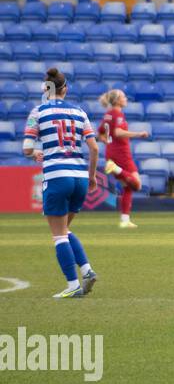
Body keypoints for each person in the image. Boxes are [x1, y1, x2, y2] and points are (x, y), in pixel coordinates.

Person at [23, 68, 100, 297]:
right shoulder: (79, 112)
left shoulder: (38, 112)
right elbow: (94, 147)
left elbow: (27, 148)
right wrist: (93, 176)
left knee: (58, 235)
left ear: (47, 89)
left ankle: (72, 285)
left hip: (57, 176)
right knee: (65, 229)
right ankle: (86, 270)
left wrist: (36, 152)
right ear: (65, 88)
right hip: (79, 178)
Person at [97, 88, 148, 229]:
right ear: (118, 100)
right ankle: (115, 168)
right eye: (123, 97)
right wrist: (138, 134)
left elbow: (100, 133)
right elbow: (118, 132)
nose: (126, 99)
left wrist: (108, 142)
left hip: (111, 153)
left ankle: (125, 220)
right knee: (137, 184)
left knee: (128, 187)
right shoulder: (117, 114)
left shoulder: (108, 114)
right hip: (121, 154)